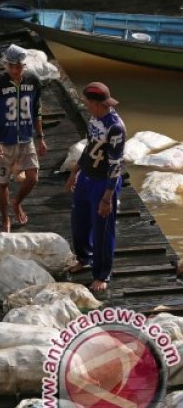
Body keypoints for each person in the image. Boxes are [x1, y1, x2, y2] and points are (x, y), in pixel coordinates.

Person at [65, 82, 126, 293]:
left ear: (96, 103)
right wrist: (75, 171)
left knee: (102, 228)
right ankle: (84, 257)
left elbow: (116, 164)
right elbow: (89, 146)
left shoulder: (115, 127)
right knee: (79, 220)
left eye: (87, 102)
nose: (85, 106)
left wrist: (107, 197)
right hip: (87, 177)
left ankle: (102, 273)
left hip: (103, 182)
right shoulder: (94, 119)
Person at [0, 44, 46, 232]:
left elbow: (37, 111)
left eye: (18, 66)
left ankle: (17, 202)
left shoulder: (33, 81)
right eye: (11, 66)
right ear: (6, 65)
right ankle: (5, 220)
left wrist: (40, 137)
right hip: (4, 141)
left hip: (26, 139)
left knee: (33, 178)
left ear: (24, 65)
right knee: (2, 184)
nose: (14, 70)